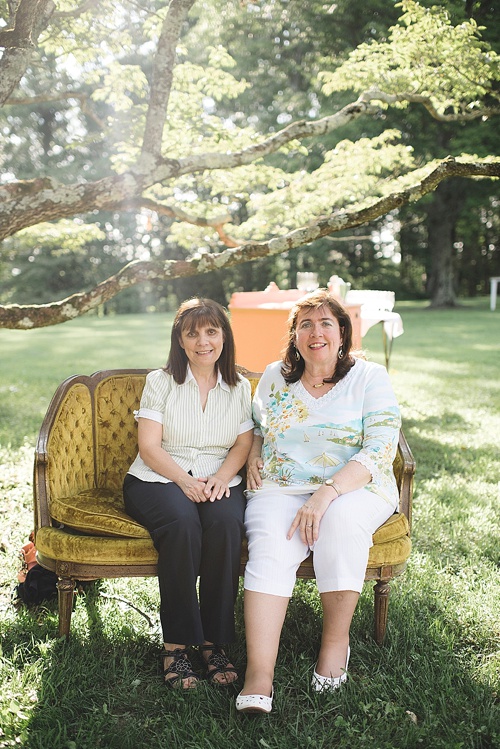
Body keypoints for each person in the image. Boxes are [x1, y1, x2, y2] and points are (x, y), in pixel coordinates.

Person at [235, 289, 401, 713]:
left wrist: (327, 493)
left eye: (326, 323)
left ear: (343, 333)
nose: (316, 332)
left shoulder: (369, 377)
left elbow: (382, 448)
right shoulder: (275, 376)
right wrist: (254, 452)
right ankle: (259, 673)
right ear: (294, 336)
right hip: (281, 484)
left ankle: (334, 643)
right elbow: (258, 425)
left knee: (341, 523)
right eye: (305, 324)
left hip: (356, 486)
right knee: (271, 543)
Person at [123, 298, 253, 689]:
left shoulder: (239, 386)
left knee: (227, 524)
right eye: (192, 333)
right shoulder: (160, 382)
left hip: (218, 478)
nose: (203, 341)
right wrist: (185, 480)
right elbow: (149, 446)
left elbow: (243, 444)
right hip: (157, 477)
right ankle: (176, 646)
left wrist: (223, 477)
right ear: (180, 341)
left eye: (212, 331)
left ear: (224, 337)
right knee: (182, 524)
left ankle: (215, 644)